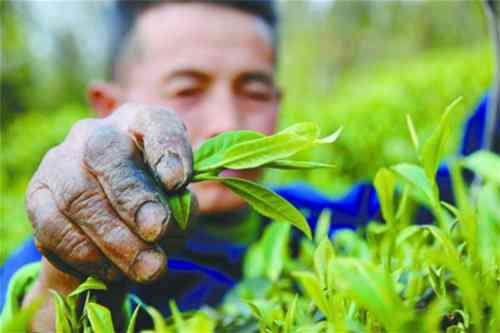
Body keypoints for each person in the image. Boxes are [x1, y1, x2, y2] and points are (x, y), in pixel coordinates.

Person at [0, 0, 496, 331]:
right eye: (187, 90)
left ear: (279, 103)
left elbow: (468, 185)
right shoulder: (49, 259)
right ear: (109, 107)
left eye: (254, 90)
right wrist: (68, 276)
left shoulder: (321, 224)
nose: (226, 121)